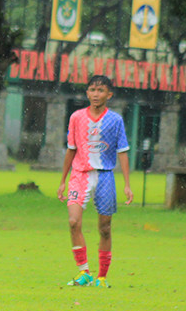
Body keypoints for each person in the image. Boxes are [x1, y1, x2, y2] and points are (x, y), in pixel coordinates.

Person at [57, 75, 133, 288]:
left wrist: (127, 184)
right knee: (73, 222)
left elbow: (123, 152)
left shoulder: (115, 120)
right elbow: (71, 149)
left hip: (105, 176)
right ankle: (84, 273)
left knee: (105, 228)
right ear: (87, 93)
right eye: (92, 90)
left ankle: (101, 277)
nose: (96, 94)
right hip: (79, 175)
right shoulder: (76, 117)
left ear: (109, 94)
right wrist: (63, 180)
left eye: (100, 91)